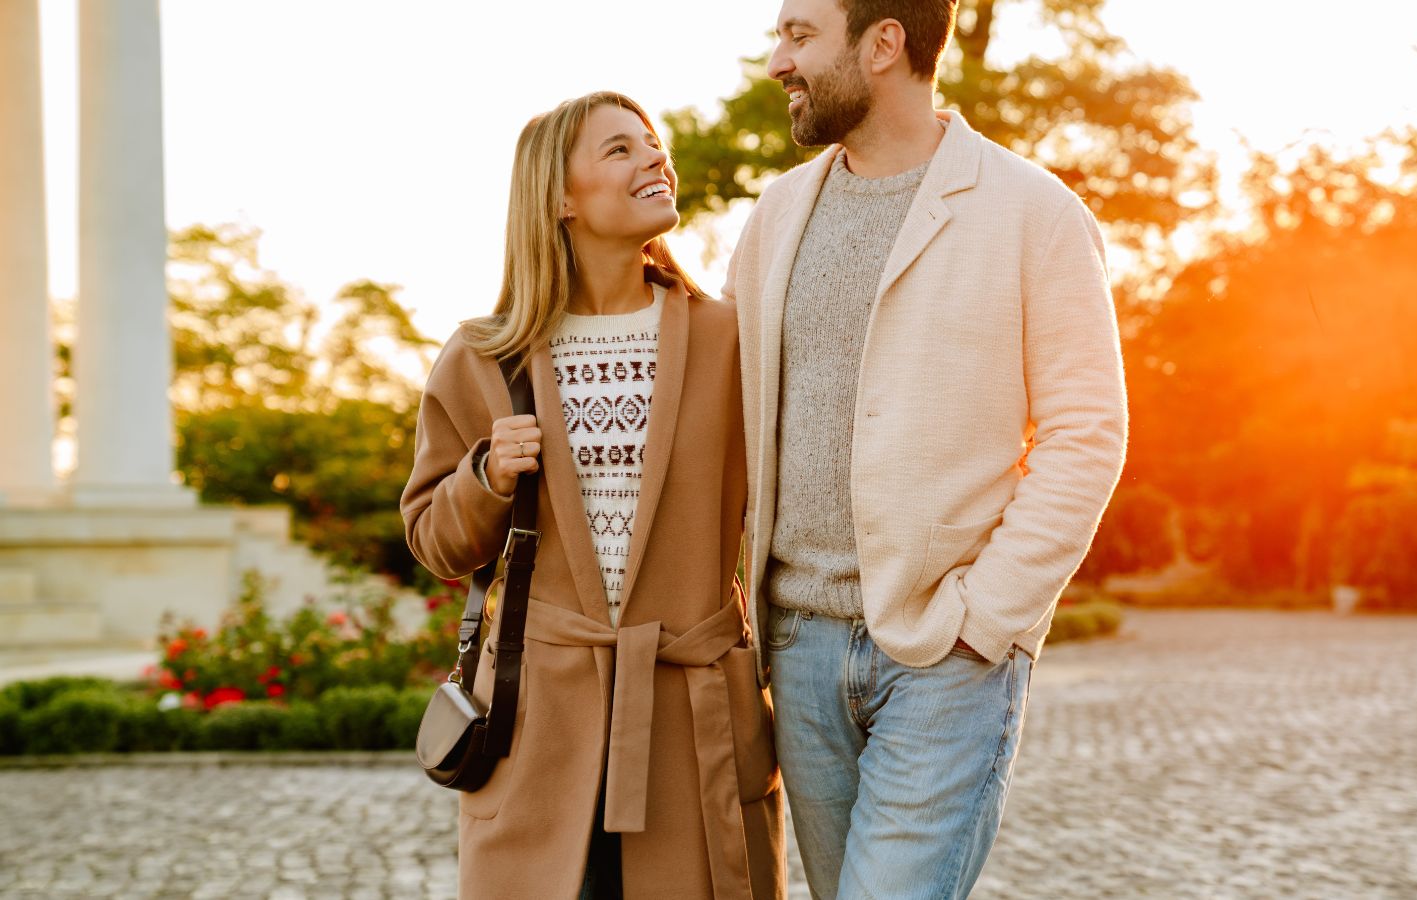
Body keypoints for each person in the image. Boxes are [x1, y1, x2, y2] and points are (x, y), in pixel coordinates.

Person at [723, 1, 1129, 897]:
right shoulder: (778, 212)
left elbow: (1086, 432)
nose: (775, 62)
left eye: (798, 36)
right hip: (797, 649)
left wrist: (985, 624)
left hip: (946, 658)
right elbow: (726, 415)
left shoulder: (1035, 212)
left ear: (882, 44)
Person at [402, 91, 784, 900]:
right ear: (560, 198)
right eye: (620, 149)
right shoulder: (484, 356)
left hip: (691, 720)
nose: (655, 158)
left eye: (654, 144)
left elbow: (793, 510)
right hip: (542, 734)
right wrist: (484, 478)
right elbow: (435, 542)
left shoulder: (731, 340)